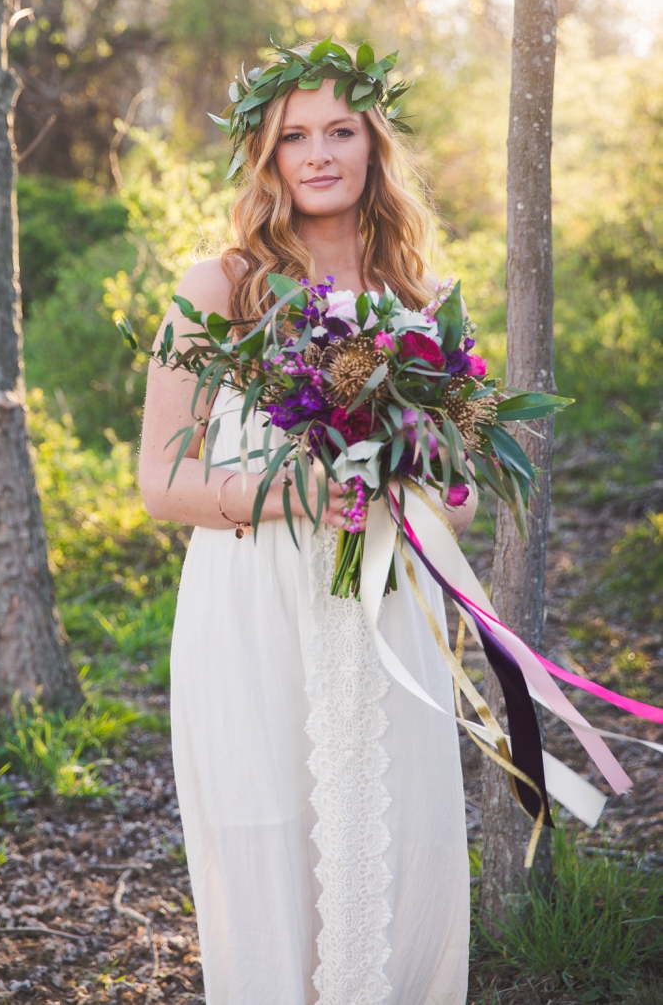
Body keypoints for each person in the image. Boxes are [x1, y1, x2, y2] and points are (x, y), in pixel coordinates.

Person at [139, 51, 478, 1005]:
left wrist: (408, 471)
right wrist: (302, 490)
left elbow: (465, 495)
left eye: (340, 131)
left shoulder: (422, 298)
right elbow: (163, 481)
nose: (319, 154)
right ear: (266, 154)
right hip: (253, 601)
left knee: (398, 842)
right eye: (295, 135)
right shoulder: (220, 287)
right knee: (269, 840)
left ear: (375, 144)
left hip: (385, 606)